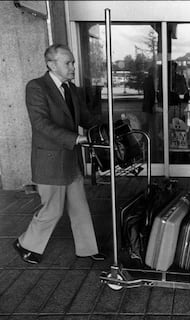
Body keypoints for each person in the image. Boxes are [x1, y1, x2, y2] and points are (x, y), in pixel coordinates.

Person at [14, 44, 105, 264]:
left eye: (73, 62)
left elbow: (85, 118)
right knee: (53, 209)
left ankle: (87, 248)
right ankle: (25, 244)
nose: (73, 66)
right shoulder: (36, 87)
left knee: (79, 206)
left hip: (70, 160)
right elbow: (41, 124)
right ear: (51, 65)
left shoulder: (71, 89)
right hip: (51, 160)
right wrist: (76, 138)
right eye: (68, 63)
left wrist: (106, 129)